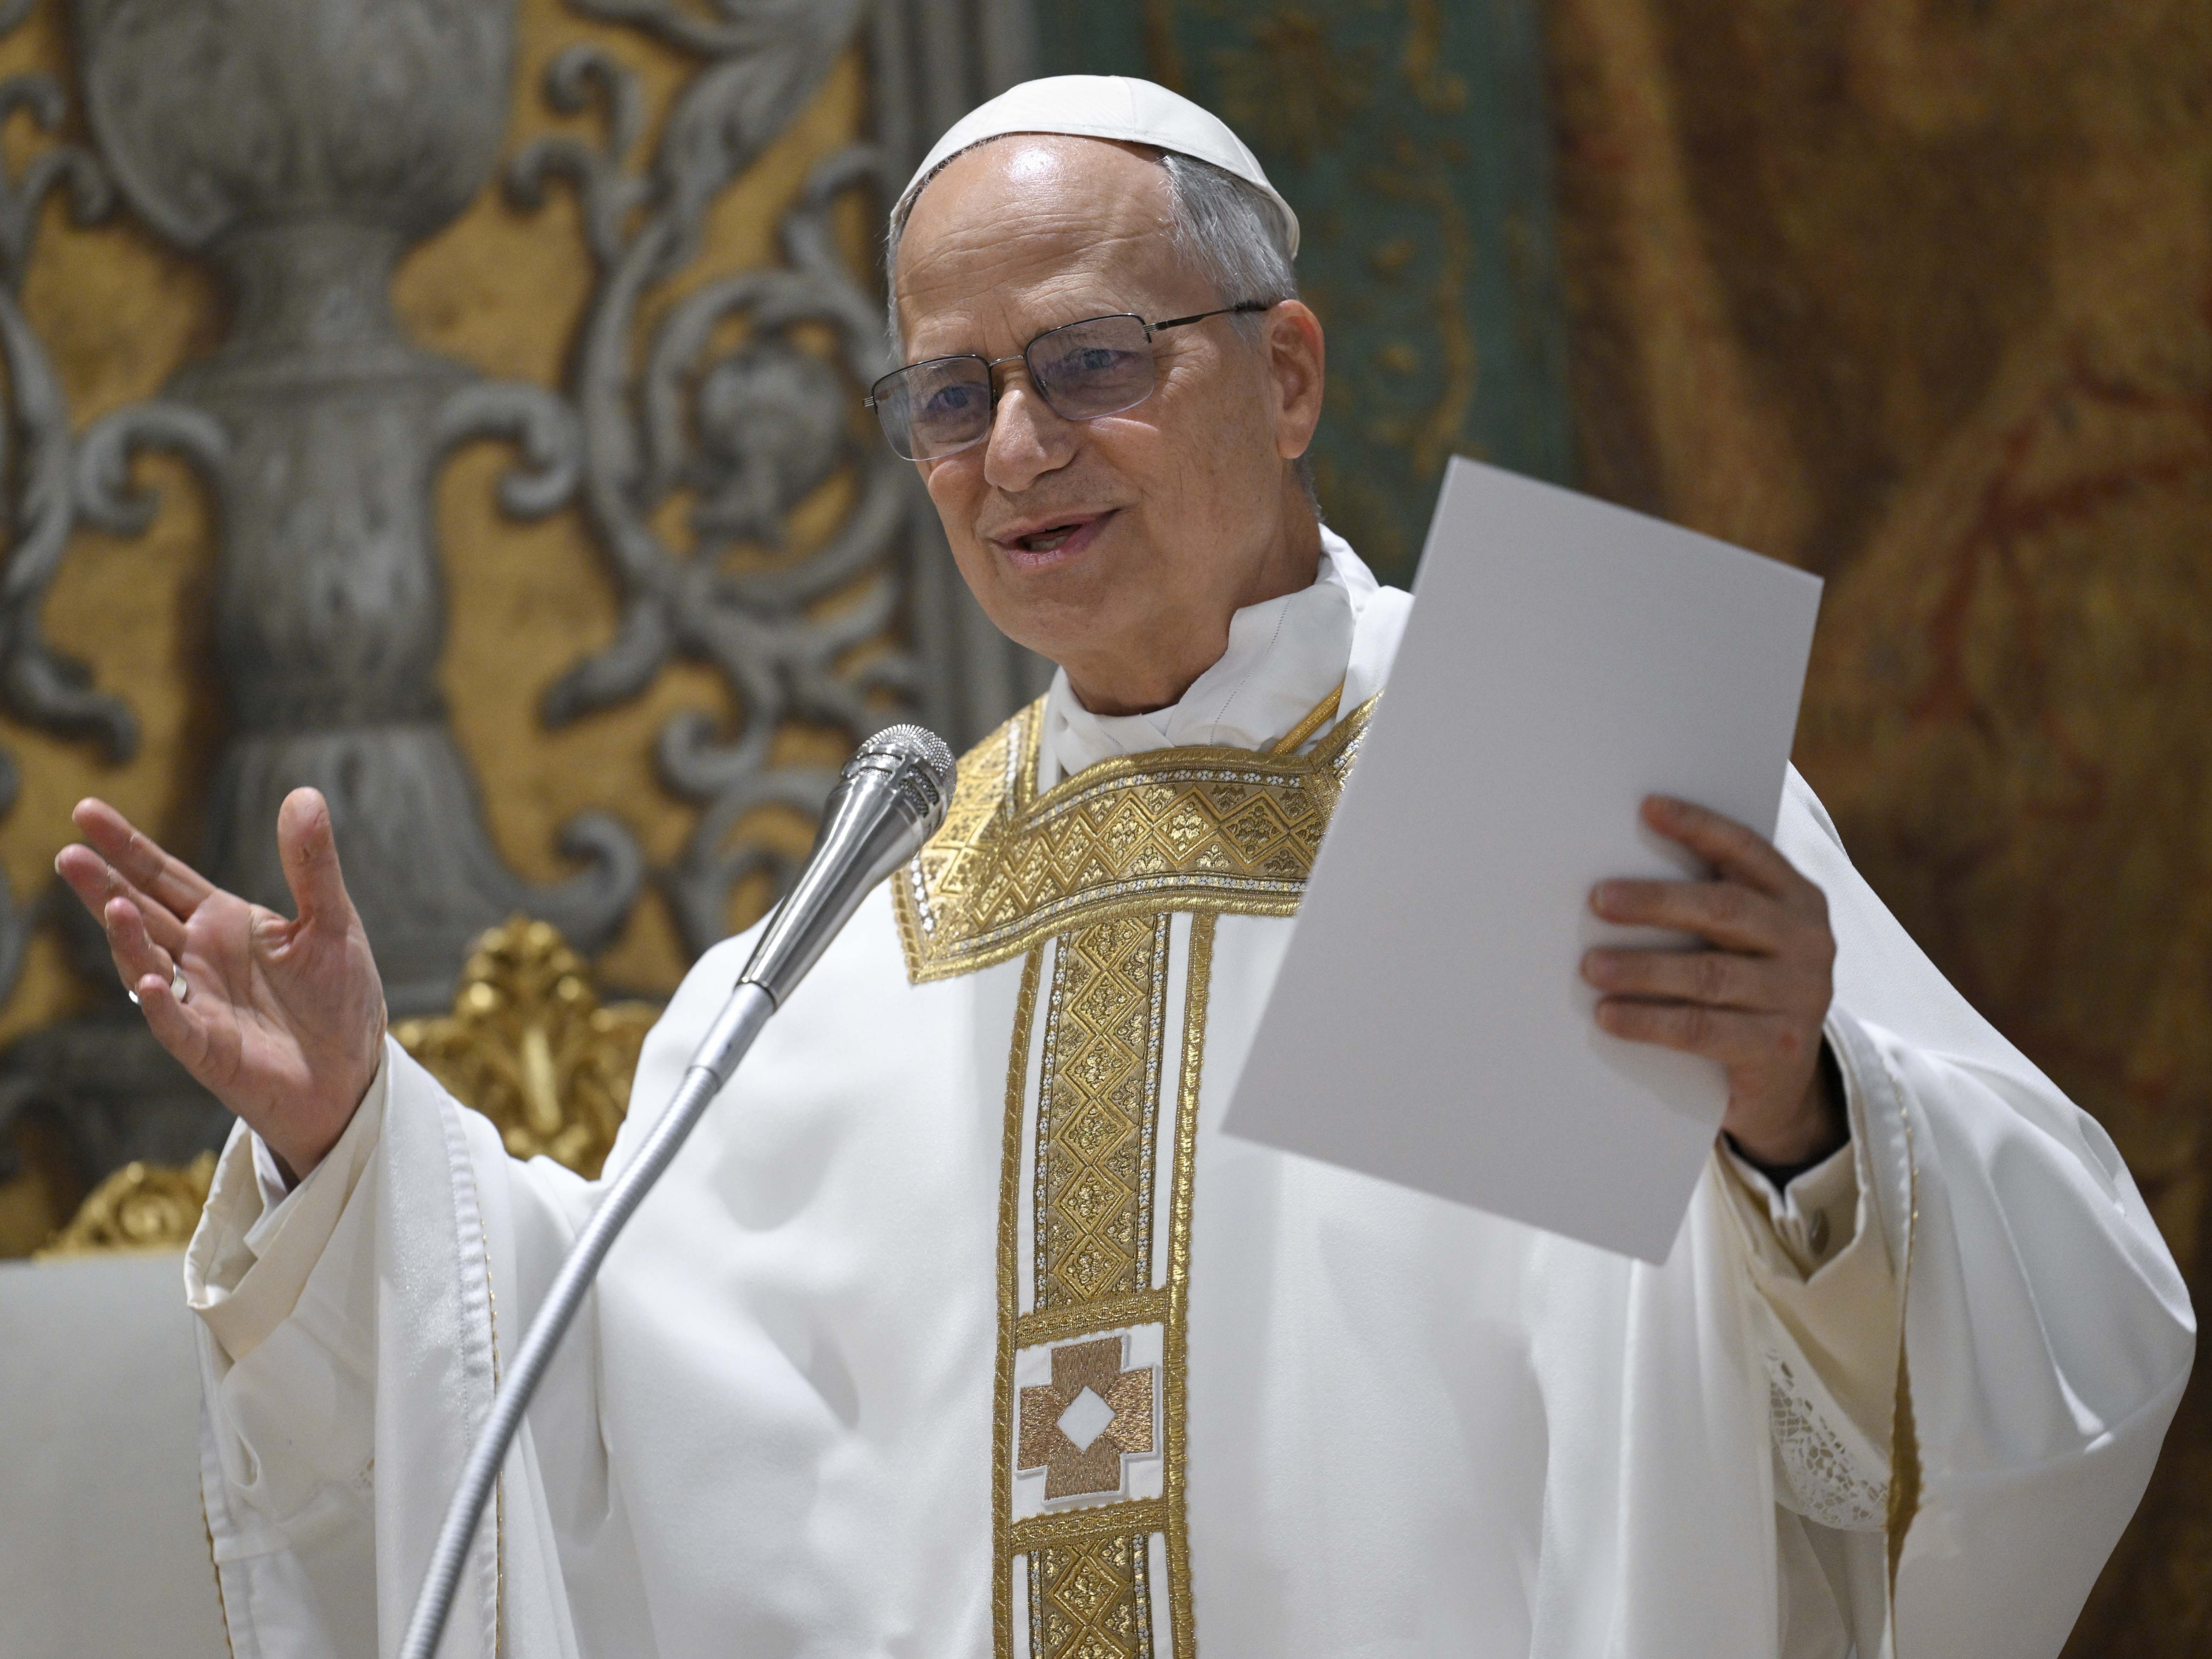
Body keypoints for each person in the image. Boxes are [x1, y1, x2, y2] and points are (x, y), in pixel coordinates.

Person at [60, 76, 2189, 1659]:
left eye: (1087, 363)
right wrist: (353, 1136)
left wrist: (1798, 1120)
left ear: (1282, 369)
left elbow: (2059, 1307)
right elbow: (591, 1419)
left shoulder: (1562, 774)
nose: (1015, 453)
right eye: (950, 394)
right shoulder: (857, 930)